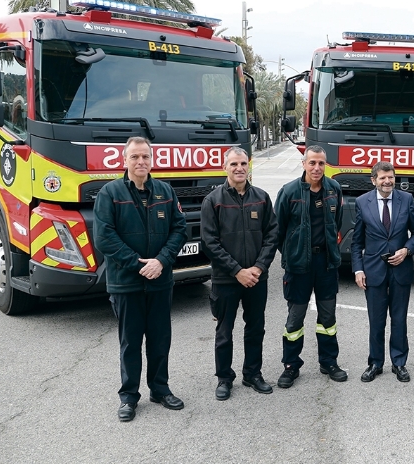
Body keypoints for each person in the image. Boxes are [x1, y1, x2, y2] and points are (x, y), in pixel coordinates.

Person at [93, 136, 188, 423]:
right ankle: (128, 398)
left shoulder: (165, 191)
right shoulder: (109, 194)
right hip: (126, 282)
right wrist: (138, 265)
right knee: (130, 342)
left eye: (145, 157)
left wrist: (162, 260)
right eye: (135, 157)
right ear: (125, 160)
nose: (141, 162)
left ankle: (160, 389)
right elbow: (104, 238)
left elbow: (179, 229)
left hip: (160, 280)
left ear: (152, 160)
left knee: (160, 339)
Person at [200, 147, 278, 400]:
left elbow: (272, 235)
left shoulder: (262, 198)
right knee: (225, 331)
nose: (239, 168)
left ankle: (252, 374)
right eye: (233, 163)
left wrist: (258, 268)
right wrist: (237, 271)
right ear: (225, 167)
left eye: (243, 163)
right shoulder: (213, 201)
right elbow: (209, 242)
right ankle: (224, 378)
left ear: (248, 166)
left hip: (256, 278)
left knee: (256, 328)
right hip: (226, 279)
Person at [274, 145, 347, 387]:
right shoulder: (289, 191)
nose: (317, 168)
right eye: (312, 163)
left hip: (326, 264)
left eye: (321, 163)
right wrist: (292, 253)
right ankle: (290, 365)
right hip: (298, 265)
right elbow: (277, 230)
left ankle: (329, 362)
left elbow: (335, 224)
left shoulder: (334, 189)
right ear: (304, 164)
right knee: (295, 319)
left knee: (328, 318)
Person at [351, 161, 414, 383]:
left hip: (401, 269)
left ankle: (399, 363)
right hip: (373, 270)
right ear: (374, 181)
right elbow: (356, 242)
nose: (388, 181)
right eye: (382, 178)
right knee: (376, 320)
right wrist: (358, 269)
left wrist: (406, 250)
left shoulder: (406, 200)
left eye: (390, 177)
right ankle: (375, 363)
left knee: (399, 319)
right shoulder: (363, 202)